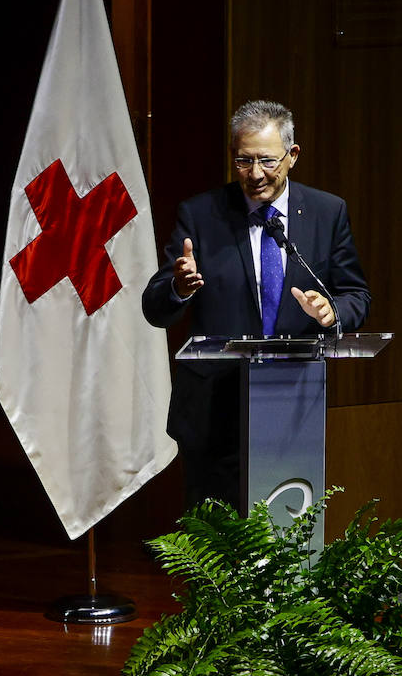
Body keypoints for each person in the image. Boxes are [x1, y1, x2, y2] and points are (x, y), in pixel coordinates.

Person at [142, 100, 371, 512]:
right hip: (214, 412)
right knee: (217, 553)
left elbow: (356, 295)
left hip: (293, 406)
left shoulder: (326, 212)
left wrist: (333, 311)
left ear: (292, 155)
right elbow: (156, 307)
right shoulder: (201, 214)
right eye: (243, 161)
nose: (255, 174)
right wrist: (179, 286)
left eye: (267, 160)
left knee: (286, 541)